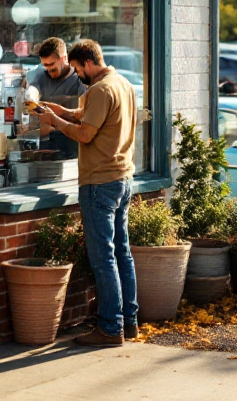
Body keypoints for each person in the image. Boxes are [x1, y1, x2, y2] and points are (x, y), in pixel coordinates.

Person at [37, 39, 138, 346]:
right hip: (122, 179)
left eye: (78, 69)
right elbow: (89, 117)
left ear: (86, 63)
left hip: (99, 183)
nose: (77, 74)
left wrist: (54, 122)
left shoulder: (98, 90)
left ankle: (109, 328)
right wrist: (61, 110)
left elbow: (85, 134)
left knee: (103, 257)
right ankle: (129, 321)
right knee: (122, 252)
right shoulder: (123, 85)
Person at [25, 37, 87, 160]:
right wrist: (31, 98)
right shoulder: (42, 77)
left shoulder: (79, 79)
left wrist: (55, 118)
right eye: (45, 65)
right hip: (47, 149)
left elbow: (84, 113)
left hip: (72, 148)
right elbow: (33, 90)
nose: (49, 69)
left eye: (52, 64)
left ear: (64, 58)